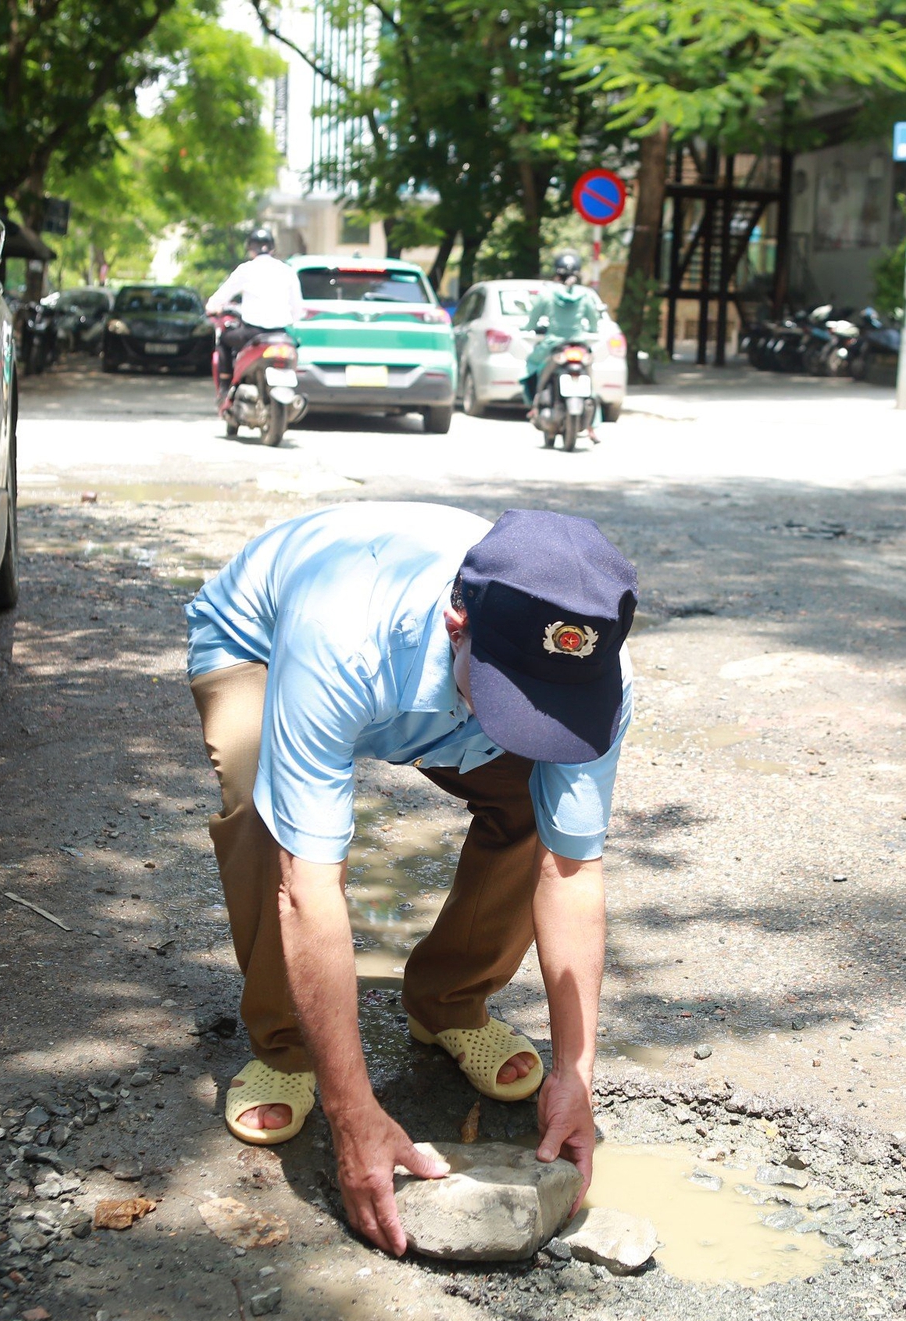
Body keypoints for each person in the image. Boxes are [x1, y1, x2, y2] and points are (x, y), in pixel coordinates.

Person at [183, 504, 636, 1256]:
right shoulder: (342, 635)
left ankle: (448, 1000)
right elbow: (310, 888)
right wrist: (352, 1111)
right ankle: (286, 1045)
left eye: (550, 705)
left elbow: (571, 867)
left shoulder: (594, 667)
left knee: (536, 802)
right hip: (266, 645)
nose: (523, 724)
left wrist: (577, 1073)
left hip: (424, 686)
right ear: (458, 623)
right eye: (511, 701)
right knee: (266, 815)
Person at [206, 227, 305, 394]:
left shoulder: (245, 269)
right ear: (272, 248)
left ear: (251, 249)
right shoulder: (287, 270)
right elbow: (297, 310)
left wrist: (211, 307)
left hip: (251, 333)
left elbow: (220, 298)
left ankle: (225, 387)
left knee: (224, 339)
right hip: (281, 335)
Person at [519, 251, 607, 406]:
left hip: (553, 344)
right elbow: (594, 323)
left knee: (532, 363)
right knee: (589, 376)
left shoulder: (547, 293)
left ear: (556, 273)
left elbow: (532, 321)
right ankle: (592, 419)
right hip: (579, 344)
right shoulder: (585, 294)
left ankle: (533, 404)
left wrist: (527, 328)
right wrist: (592, 330)